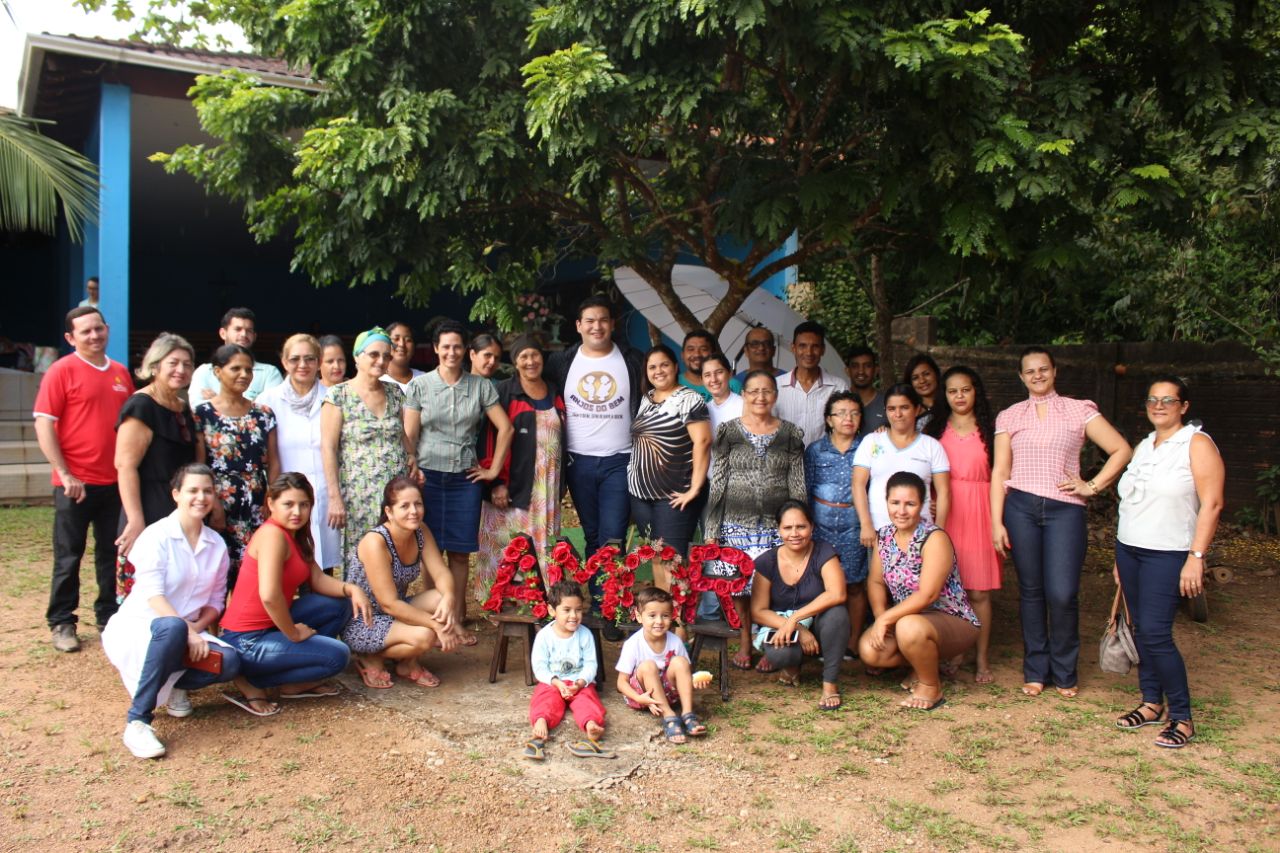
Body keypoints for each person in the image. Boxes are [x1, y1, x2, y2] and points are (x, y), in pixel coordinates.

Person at [990, 347, 1132, 698]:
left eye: (1043, 369)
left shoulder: (1078, 409)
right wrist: (996, 521)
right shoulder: (1009, 416)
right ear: (1021, 377)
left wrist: (1093, 486)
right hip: (1019, 507)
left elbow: (1122, 449)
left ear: (1054, 371)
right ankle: (1036, 669)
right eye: (1030, 371)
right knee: (1032, 592)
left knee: (1063, 593)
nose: (1037, 375)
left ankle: (1065, 671)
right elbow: (1000, 472)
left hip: (1064, 509)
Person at [101, 464, 241, 758]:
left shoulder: (216, 544)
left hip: (187, 631)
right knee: (174, 628)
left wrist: (197, 629)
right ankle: (138, 721)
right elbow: (153, 594)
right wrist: (189, 632)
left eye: (207, 491)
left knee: (229, 662)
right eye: (192, 490)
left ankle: (176, 683)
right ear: (176, 494)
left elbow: (216, 602)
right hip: (145, 625)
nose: (200, 497)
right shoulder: (157, 535)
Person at [1113, 377, 1223, 748]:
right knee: (1140, 628)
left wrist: (1196, 558)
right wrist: (1119, 556)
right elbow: (1132, 502)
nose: (1159, 406)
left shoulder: (1196, 444)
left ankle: (1182, 717)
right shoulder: (1145, 445)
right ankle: (1149, 702)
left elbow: (1212, 504)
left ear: (1184, 406)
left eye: (1168, 400)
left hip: (1169, 552)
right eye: (1152, 400)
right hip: (1130, 549)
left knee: (1157, 633)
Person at [220, 473, 373, 716]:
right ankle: (253, 679)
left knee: (339, 604)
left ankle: (295, 674)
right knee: (338, 656)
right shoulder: (272, 536)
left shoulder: (296, 535)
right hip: (247, 640)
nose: (297, 512)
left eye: (304, 505)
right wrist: (292, 633)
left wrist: (352, 588)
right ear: (271, 504)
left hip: (271, 627)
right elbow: (269, 595)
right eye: (288, 504)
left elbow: (317, 579)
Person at [34, 306, 135, 651]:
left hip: (114, 483)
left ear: (107, 329)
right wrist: (64, 472)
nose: (93, 336)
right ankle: (62, 621)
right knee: (68, 554)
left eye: (98, 329)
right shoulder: (61, 371)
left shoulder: (121, 373)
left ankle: (109, 617)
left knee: (112, 554)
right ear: (70, 338)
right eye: (85, 332)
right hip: (74, 484)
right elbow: (44, 423)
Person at [405, 320, 514, 636]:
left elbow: (505, 428)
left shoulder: (480, 386)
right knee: (430, 551)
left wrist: (493, 470)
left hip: (465, 479)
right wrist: (411, 465)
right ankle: (438, 621)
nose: (451, 352)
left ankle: (459, 619)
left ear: (464, 351)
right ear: (436, 349)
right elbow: (410, 434)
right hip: (428, 477)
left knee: (459, 551)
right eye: (445, 346)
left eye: (456, 347)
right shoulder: (420, 386)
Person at [546, 295, 644, 639]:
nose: (596, 326)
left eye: (603, 320)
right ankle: (598, 604)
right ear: (578, 325)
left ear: (612, 324)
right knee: (591, 536)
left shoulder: (632, 359)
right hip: (578, 460)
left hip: (620, 458)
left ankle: (611, 610)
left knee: (612, 537)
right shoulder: (562, 361)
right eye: (589, 320)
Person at [704, 370, 807, 670]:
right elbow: (719, 481)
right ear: (744, 395)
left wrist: (798, 525)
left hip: (777, 527)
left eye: (767, 391)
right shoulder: (728, 432)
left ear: (775, 396)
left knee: (776, 587)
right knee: (740, 587)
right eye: (753, 391)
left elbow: (797, 483)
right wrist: (712, 528)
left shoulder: (790, 434)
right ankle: (746, 640)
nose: (760, 397)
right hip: (736, 523)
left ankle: (772, 643)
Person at [860, 472, 980, 711]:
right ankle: (922, 662)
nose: (901, 511)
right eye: (895, 503)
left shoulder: (934, 538)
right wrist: (880, 615)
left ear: (922, 505)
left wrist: (887, 619)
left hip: (950, 619)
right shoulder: (884, 536)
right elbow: (875, 582)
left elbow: (928, 595)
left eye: (910, 504)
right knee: (870, 651)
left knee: (909, 627)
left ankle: (930, 685)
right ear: (886, 502)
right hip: (906, 619)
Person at [341, 477, 464, 689]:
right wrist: (436, 625)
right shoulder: (376, 542)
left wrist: (450, 599)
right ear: (389, 511)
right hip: (365, 620)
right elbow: (389, 604)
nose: (413, 511)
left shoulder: (420, 531)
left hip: (394, 611)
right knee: (426, 636)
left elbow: (441, 572)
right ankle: (366, 655)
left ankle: (407, 663)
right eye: (404, 506)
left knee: (441, 597)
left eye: (418, 504)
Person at [924, 366, 1001, 682]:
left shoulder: (992, 430)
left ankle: (981, 658)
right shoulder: (934, 429)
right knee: (948, 588)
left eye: (965, 389)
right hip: (946, 513)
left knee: (979, 592)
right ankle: (955, 650)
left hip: (980, 512)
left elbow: (1001, 475)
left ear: (976, 392)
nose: (959, 396)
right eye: (952, 390)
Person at [475, 336, 566, 603]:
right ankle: (496, 601)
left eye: (535, 355)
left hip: (545, 486)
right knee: (506, 543)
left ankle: (541, 599)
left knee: (542, 543)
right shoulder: (503, 392)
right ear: (514, 362)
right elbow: (490, 438)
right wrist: (496, 483)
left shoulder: (554, 391)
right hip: (512, 484)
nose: (530, 361)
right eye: (523, 356)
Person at [321, 327, 418, 569]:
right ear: (356, 357)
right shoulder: (339, 395)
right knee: (361, 560)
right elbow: (328, 447)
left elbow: (399, 432)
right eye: (374, 354)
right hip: (358, 495)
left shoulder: (395, 392)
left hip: (395, 494)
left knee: (394, 554)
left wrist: (410, 454)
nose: (381, 360)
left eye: (387, 356)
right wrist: (335, 497)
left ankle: (393, 605)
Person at [750, 501, 850, 709]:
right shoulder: (767, 562)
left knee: (837, 614)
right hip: (786, 627)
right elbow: (758, 612)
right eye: (787, 528)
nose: (794, 533)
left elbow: (837, 593)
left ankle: (830, 683)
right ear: (778, 530)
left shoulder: (823, 551)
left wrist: (795, 619)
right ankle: (792, 665)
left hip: (820, 626)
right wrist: (796, 628)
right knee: (780, 653)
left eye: (801, 527)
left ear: (812, 527)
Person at [194, 344, 279, 584]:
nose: (244, 375)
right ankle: (214, 622)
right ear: (218, 372)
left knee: (254, 570)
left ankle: (247, 622)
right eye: (236, 368)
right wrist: (214, 504)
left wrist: (270, 499)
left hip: (256, 501)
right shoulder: (203, 414)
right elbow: (201, 466)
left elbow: (274, 462)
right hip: (219, 500)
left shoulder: (264, 414)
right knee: (216, 571)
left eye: (248, 369)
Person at [628, 345, 711, 585]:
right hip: (641, 495)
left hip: (674, 494)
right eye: (652, 367)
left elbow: (703, 442)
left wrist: (694, 489)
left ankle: (677, 620)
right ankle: (660, 615)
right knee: (656, 554)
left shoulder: (690, 399)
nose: (658, 371)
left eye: (664, 364)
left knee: (672, 559)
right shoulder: (646, 399)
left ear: (676, 367)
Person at [258, 334, 341, 572]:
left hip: (325, 495)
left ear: (318, 362)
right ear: (284, 362)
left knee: (323, 564)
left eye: (309, 359)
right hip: (287, 497)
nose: (302, 365)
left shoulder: (334, 398)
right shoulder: (268, 401)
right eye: (295, 359)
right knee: (287, 565)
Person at [114, 333, 198, 560]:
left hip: (180, 510)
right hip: (148, 508)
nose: (181, 369)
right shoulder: (141, 406)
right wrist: (135, 519)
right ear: (154, 366)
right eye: (173, 363)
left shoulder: (182, 407)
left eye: (187, 364)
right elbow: (125, 466)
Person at [804, 391, 866, 654]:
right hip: (821, 527)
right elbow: (806, 489)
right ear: (829, 420)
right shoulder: (816, 450)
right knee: (820, 585)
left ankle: (852, 642)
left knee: (854, 585)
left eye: (853, 413)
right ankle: (821, 642)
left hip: (855, 527)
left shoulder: (869, 447)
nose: (847, 418)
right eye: (840, 413)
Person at [852, 384, 950, 544]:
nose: (897, 414)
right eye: (891, 409)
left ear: (917, 409)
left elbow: (944, 492)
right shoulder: (872, 441)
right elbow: (858, 485)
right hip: (879, 530)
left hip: (922, 532)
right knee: (877, 570)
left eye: (904, 407)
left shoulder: (932, 446)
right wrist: (866, 524)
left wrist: (938, 531)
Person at [526, 580, 611, 761]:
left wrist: (580, 683)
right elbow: (539, 667)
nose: (574, 615)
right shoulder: (544, 636)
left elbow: (590, 665)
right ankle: (542, 720)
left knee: (587, 699)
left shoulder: (585, 634)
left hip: (577, 682)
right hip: (552, 683)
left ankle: (591, 724)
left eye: (578, 610)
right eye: (567, 610)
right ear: (551, 611)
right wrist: (556, 682)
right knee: (545, 699)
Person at [615, 586, 707, 744]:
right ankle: (669, 716)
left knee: (680, 661)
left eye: (664, 616)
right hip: (645, 696)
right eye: (652, 615)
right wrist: (638, 697)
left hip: (669, 692)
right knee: (648, 666)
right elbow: (621, 682)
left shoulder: (675, 641)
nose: (659, 621)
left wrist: (696, 681)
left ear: (672, 616)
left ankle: (687, 713)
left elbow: (684, 673)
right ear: (638, 616)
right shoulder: (633, 644)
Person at [188, 308, 283, 407]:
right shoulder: (204, 371)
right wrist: (252, 404)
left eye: (249, 331)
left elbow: (271, 410)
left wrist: (217, 401)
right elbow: (197, 409)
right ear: (223, 333)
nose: (244, 334)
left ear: (254, 336)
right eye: (238, 329)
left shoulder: (270, 372)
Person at [775, 321, 849, 446]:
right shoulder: (776, 386)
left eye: (815, 346)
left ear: (823, 350)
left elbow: (846, 428)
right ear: (793, 348)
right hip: (786, 462)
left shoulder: (839, 387)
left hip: (825, 462)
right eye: (802, 346)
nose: (809, 352)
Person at [700, 353, 742, 483]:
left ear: (729, 373)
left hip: (741, 484)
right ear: (702, 380)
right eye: (707, 375)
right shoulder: (702, 410)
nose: (713, 379)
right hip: (712, 484)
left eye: (719, 372)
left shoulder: (745, 406)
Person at [678, 329, 741, 401]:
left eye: (703, 349)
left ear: (713, 354)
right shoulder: (672, 383)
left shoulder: (733, 386)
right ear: (682, 355)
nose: (696, 354)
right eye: (691, 349)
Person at [846, 346, 886, 435]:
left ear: (876, 370)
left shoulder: (888, 403)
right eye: (855, 366)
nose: (861, 371)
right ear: (847, 371)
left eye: (867, 366)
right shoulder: (838, 403)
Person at [381, 321, 425, 394]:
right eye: (396, 339)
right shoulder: (376, 382)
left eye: (408, 340)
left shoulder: (425, 379)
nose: (401, 344)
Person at [903, 354, 942, 428]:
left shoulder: (949, 403)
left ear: (936, 373)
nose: (922, 381)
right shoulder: (908, 409)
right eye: (915, 378)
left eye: (926, 374)